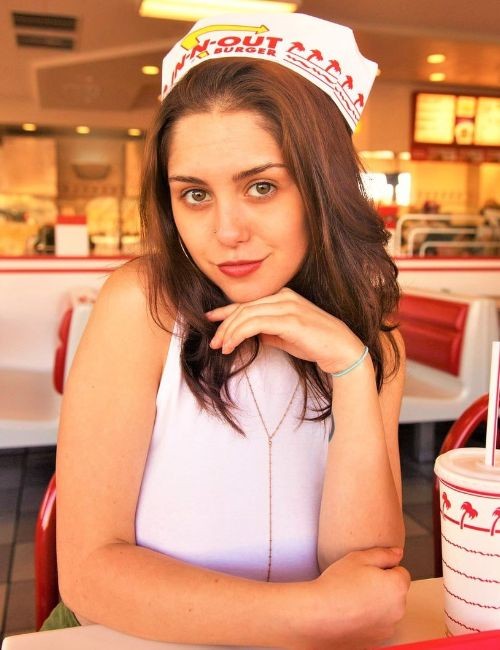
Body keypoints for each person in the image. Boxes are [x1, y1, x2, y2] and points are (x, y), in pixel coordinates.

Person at [50, 12, 410, 649]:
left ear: (324, 188)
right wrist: (310, 613)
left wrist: (352, 373)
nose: (226, 231)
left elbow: (363, 566)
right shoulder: (142, 304)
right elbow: (88, 573)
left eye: (261, 186)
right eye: (195, 194)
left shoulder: (371, 339)